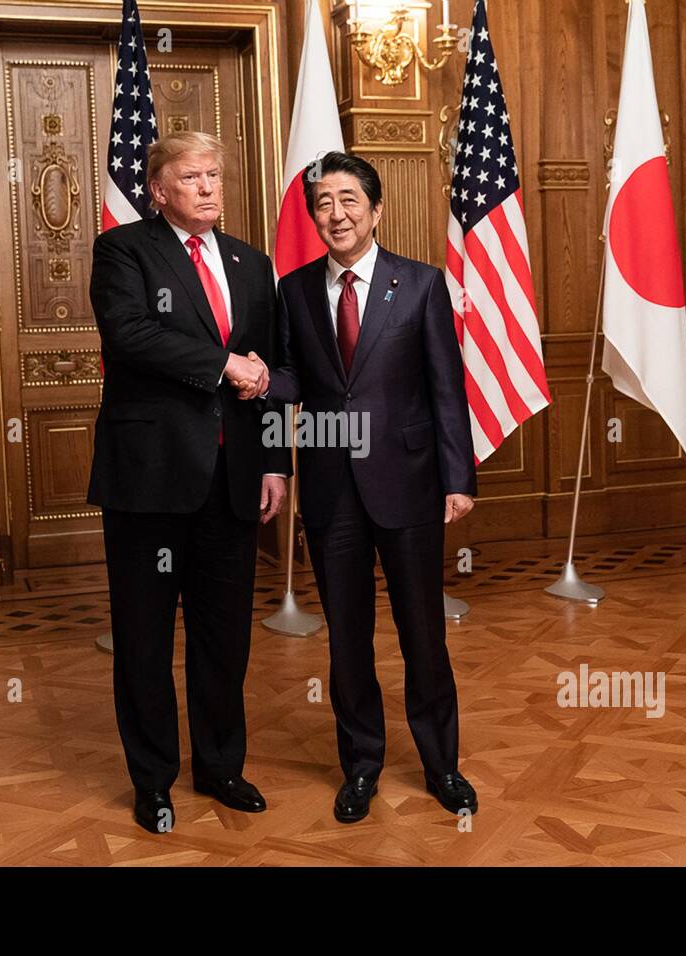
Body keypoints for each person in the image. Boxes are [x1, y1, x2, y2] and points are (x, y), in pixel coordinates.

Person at [267, 152, 479, 823]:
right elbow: (288, 384)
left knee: (424, 634)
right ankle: (361, 766)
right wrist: (245, 379)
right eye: (324, 202)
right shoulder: (294, 292)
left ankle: (442, 764)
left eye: (349, 199)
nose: (337, 213)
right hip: (331, 489)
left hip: (410, 483)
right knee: (347, 640)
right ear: (314, 216)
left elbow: (447, 389)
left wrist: (458, 478)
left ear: (376, 210)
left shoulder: (420, 286)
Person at [88, 130, 289, 834]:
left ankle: (221, 766)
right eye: (191, 176)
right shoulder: (123, 251)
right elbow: (131, 334)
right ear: (160, 190)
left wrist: (273, 461)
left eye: (214, 174)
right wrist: (224, 365)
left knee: (224, 636)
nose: (208, 186)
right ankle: (153, 779)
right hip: (149, 481)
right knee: (143, 638)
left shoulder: (250, 262)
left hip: (232, 481)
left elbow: (271, 372)